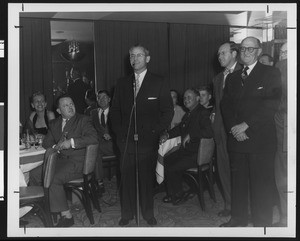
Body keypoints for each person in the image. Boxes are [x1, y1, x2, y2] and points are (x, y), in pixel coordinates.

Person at [220, 36, 281, 227]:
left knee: (260, 186)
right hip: (237, 138)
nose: (246, 53)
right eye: (243, 49)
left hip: (260, 139)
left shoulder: (271, 73)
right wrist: (234, 128)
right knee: (238, 184)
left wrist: (246, 125)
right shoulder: (232, 77)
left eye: (250, 49)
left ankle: (262, 223)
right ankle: (238, 219)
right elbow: (225, 106)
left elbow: (272, 104)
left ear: (258, 51)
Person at [110, 44, 174, 226]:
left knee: (146, 180)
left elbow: (167, 112)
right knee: (127, 178)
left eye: (139, 55)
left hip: (148, 141)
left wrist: (154, 132)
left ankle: (148, 214)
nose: (135, 59)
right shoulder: (122, 83)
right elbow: (114, 112)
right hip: (126, 141)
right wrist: (120, 134)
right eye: (132, 55)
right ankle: (127, 214)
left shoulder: (159, 81)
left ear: (147, 58)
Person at [29, 94, 98, 227]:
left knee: (53, 178)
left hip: (78, 162)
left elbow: (93, 138)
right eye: (65, 105)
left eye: (71, 103)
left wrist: (71, 142)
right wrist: (57, 146)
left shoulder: (83, 120)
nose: (70, 107)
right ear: (59, 111)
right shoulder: (54, 123)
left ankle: (67, 216)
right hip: (60, 160)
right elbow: (47, 143)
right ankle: (44, 206)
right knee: (35, 174)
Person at [160, 88, 213, 205]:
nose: (186, 100)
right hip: (187, 151)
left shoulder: (202, 112)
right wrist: (167, 134)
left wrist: (192, 135)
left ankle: (178, 194)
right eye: (184, 98)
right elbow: (180, 128)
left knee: (172, 166)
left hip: (196, 154)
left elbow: (209, 132)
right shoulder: (189, 113)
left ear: (198, 98)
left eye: (189, 97)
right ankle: (173, 192)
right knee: (166, 160)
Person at [210, 41, 242, 218]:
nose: (220, 57)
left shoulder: (244, 74)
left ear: (234, 54)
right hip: (220, 132)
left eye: (223, 53)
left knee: (240, 171)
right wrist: (213, 114)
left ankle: (244, 207)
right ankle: (229, 204)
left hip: (238, 131)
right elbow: (218, 104)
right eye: (219, 54)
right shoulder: (217, 79)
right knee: (223, 169)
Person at [273, 42, 287, 226]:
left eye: (285, 53)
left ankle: (286, 218)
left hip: (285, 130)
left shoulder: (283, 67)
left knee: (283, 173)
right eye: (281, 53)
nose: (282, 56)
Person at [90, 90, 116, 193]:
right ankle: (99, 182)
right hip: (98, 144)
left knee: (93, 149)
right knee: (95, 151)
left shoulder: (116, 112)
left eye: (104, 97)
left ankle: (98, 181)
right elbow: (89, 130)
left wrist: (112, 136)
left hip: (113, 145)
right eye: (99, 97)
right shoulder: (92, 113)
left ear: (109, 99)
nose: (101, 100)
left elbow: (123, 130)